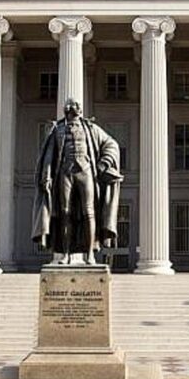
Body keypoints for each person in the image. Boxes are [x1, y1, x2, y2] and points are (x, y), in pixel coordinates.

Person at [32, 97, 122, 265]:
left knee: (89, 213)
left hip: (86, 172)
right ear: (67, 111)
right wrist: (47, 175)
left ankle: (89, 255)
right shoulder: (58, 129)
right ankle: (66, 254)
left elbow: (112, 144)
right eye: (72, 108)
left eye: (77, 108)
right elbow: (49, 155)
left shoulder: (91, 128)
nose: (75, 111)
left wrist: (103, 164)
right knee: (65, 213)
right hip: (65, 172)